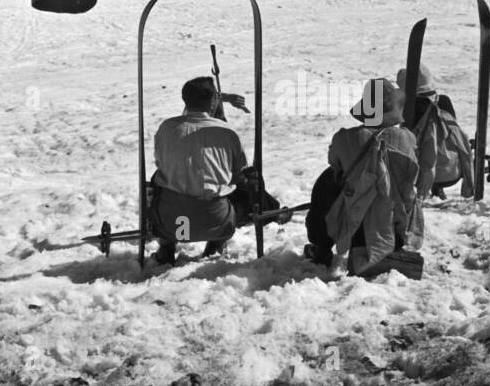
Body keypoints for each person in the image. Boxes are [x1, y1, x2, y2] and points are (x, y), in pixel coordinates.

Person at [149, 75, 286, 265]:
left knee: (159, 181)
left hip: (173, 222)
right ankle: (216, 244)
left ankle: (166, 247)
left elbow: (160, 163)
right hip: (216, 221)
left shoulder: (167, 128)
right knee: (246, 183)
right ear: (214, 101)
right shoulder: (227, 133)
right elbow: (239, 172)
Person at [304, 78, 424, 277]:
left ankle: (321, 246)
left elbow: (334, 164)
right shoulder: (407, 139)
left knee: (327, 183)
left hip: (355, 227)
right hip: (397, 225)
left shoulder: (343, 139)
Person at [397, 64, 473, 200]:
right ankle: (438, 189)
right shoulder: (444, 101)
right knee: (441, 141)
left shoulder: (408, 107)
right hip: (454, 172)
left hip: (419, 178)